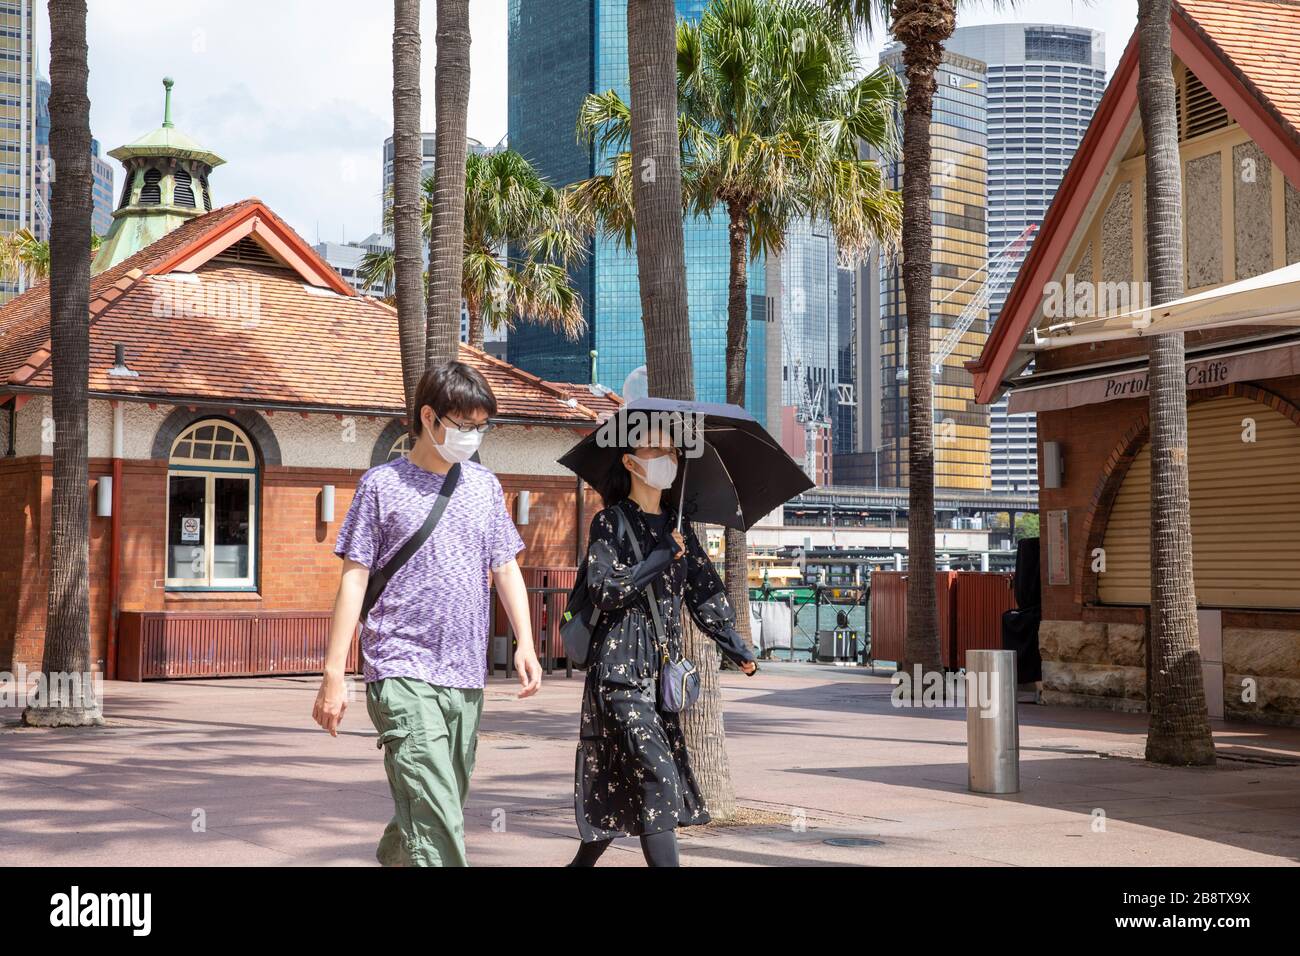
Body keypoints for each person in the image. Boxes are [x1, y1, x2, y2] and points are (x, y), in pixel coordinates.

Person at [312, 360, 542, 867]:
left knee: (438, 801)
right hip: (400, 669)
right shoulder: (381, 485)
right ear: (430, 417)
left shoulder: (484, 486)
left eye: (481, 426)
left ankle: (396, 857)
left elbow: (505, 568)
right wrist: (333, 673)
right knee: (438, 810)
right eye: (464, 425)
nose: (473, 436)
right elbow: (353, 578)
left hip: (465, 675)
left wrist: (525, 642)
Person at [570, 424, 758, 867]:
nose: (667, 458)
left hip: (659, 680)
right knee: (658, 778)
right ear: (631, 462)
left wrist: (736, 646)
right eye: (654, 449)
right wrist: (657, 559)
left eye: (672, 451)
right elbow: (604, 589)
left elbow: (704, 593)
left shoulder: (681, 529)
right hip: (618, 673)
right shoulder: (610, 522)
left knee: (623, 782)